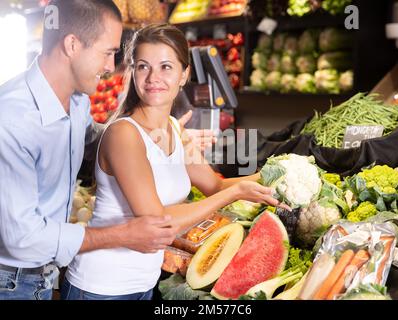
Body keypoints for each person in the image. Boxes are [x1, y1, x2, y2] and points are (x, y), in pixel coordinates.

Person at [61, 23, 291, 301]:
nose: (152, 77)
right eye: (143, 66)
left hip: (143, 283)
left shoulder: (174, 128)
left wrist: (280, 172)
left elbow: (214, 185)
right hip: (100, 287)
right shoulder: (124, 134)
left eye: (166, 67)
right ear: (132, 72)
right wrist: (236, 193)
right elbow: (156, 220)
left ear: (184, 75)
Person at [0, 0, 202, 300]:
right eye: (107, 52)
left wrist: (156, 136)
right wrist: (121, 235)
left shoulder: (77, 101)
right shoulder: (12, 117)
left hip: (45, 273)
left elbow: (92, 138)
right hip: (10, 280)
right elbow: (22, 238)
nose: (111, 67)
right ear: (71, 44)